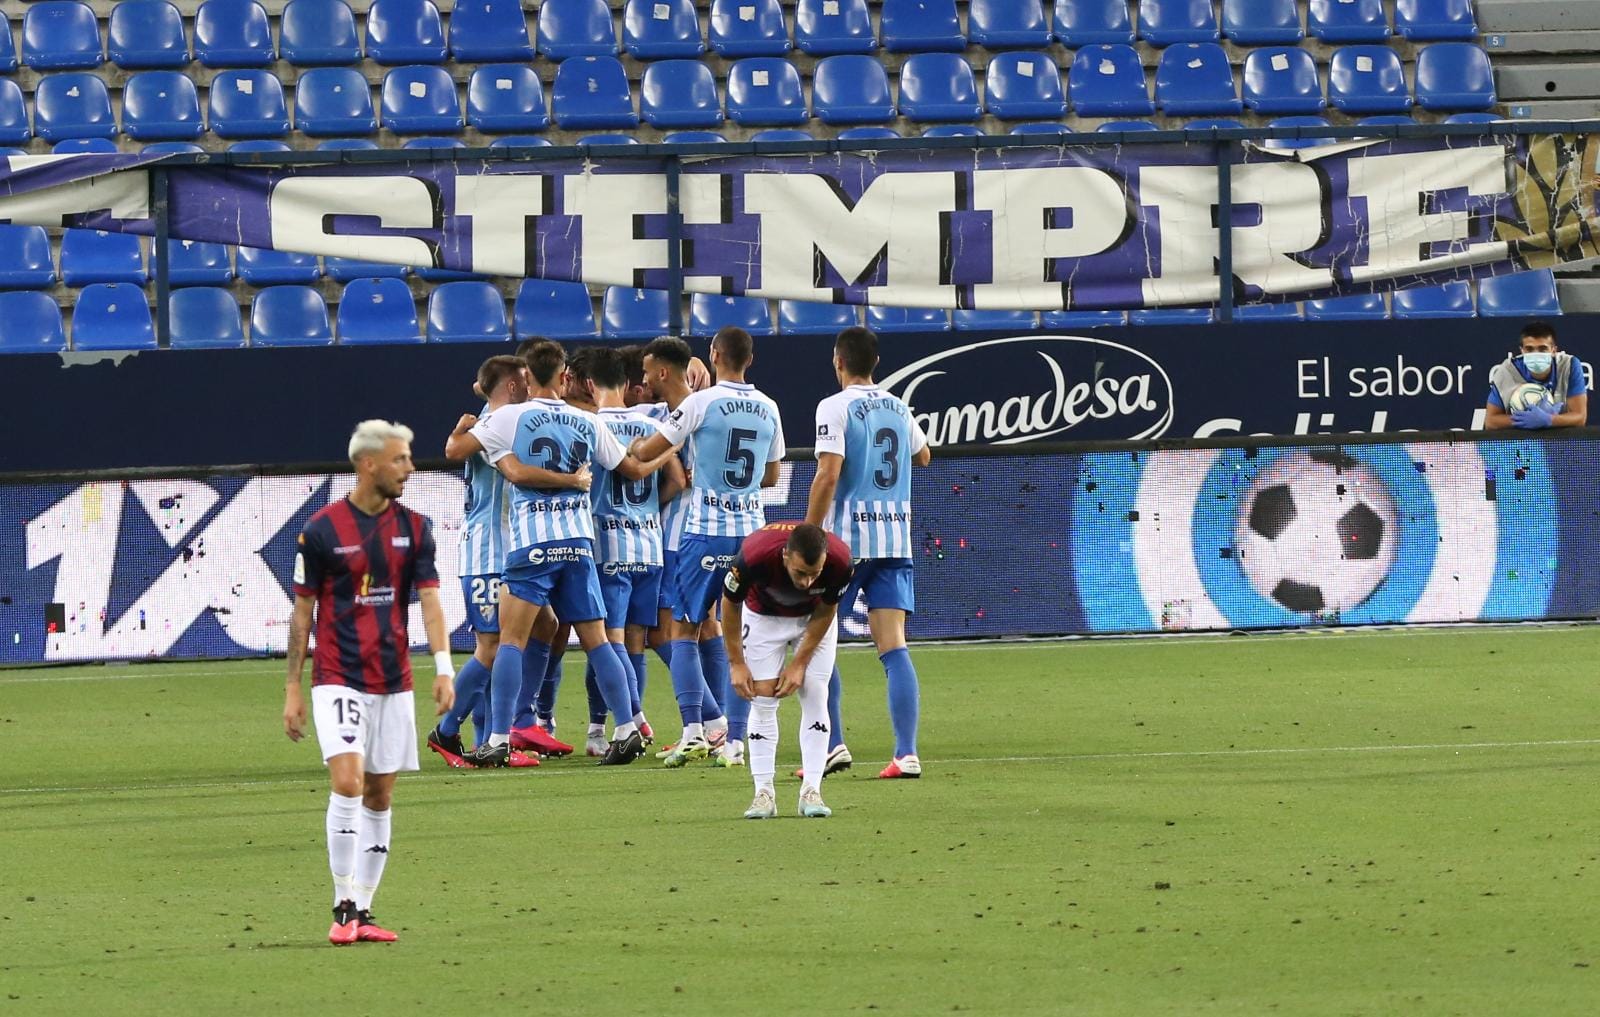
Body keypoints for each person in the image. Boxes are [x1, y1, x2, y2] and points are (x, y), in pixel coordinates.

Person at [460, 340, 676, 766]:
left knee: (511, 641)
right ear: (564, 377)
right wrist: (673, 441)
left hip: (531, 544)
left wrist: (467, 423)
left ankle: (500, 737)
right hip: (578, 542)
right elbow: (631, 468)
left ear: (526, 377)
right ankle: (627, 726)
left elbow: (459, 450)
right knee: (597, 640)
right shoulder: (587, 421)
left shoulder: (507, 417)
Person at [282, 420, 456, 945]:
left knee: (380, 795)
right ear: (368, 464)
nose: (411, 467)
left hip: (393, 679)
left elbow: (428, 601)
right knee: (348, 783)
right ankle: (342, 906)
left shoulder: (417, 529)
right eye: (401, 459)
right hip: (338, 676)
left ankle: (365, 910)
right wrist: (293, 687)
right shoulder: (321, 531)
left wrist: (444, 667)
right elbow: (301, 613)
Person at [631, 328, 785, 768]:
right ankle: (735, 742)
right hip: (752, 536)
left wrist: (635, 445)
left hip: (704, 533)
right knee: (743, 633)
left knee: (685, 629)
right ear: (749, 360)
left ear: (714, 355)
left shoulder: (700, 403)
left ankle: (693, 732)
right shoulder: (769, 407)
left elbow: (650, 451)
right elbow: (772, 477)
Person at [805, 326, 933, 780]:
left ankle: (832, 744)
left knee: (818, 643)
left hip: (846, 544)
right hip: (895, 539)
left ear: (838, 362)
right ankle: (906, 753)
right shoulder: (898, 405)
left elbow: (828, 474)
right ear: (875, 364)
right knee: (894, 646)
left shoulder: (834, 406)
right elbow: (924, 456)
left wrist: (810, 533)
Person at [426, 356, 550, 769]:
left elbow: (486, 390)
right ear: (514, 386)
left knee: (543, 626)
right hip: (487, 551)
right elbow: (453, 448)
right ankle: (449, 731)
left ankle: (501, 731)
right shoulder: (502, 420)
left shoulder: (492, 415)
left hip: (508, 548)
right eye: (526, 380)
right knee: (493, 646)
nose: (532, 386)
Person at [637, 337, 736, 766]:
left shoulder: (687, 411)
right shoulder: (696, 407)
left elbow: (657, 461)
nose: (640, 383)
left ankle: (704, 723)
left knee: (672, 631)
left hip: (684, 536)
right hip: (714, 531)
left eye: (646, 374)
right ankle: (719, 723)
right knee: (709, 628)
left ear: (661, 373)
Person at [588, 347, 686, 750]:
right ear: (628, 384)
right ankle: (632, 721)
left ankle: (630, 723)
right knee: (635, 642)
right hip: (650, 545)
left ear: (590, 384)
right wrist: (647, 509)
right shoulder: (653, 419)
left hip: (609, 546)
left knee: (606, 641)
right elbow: (678, 481)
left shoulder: (590, 424)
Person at [722, 522, 854, 819]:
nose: (807, 582)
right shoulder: (753, 555)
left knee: (816, 692)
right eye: (800, 573)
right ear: (785, 556)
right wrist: (736, 663)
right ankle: (763, 793)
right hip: (764, 617)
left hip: (813, 618)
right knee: (764, 699)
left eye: (814, 574)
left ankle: (811, 790)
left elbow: (827, 609)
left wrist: (799, 663)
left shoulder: (841, 561)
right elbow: (729, 605)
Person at [1484, 320, 1589, 430]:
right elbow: (1491, 422)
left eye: (1542, 349)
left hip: (1557, 440)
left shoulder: (1569, 366)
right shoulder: (1507, 371)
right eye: (1529, 349)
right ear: (1522, 351)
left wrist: (1549, 419)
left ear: (1553, 351)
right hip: (1518, 441)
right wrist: (1524, 419)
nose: (1536, 354)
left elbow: (1580, 418)